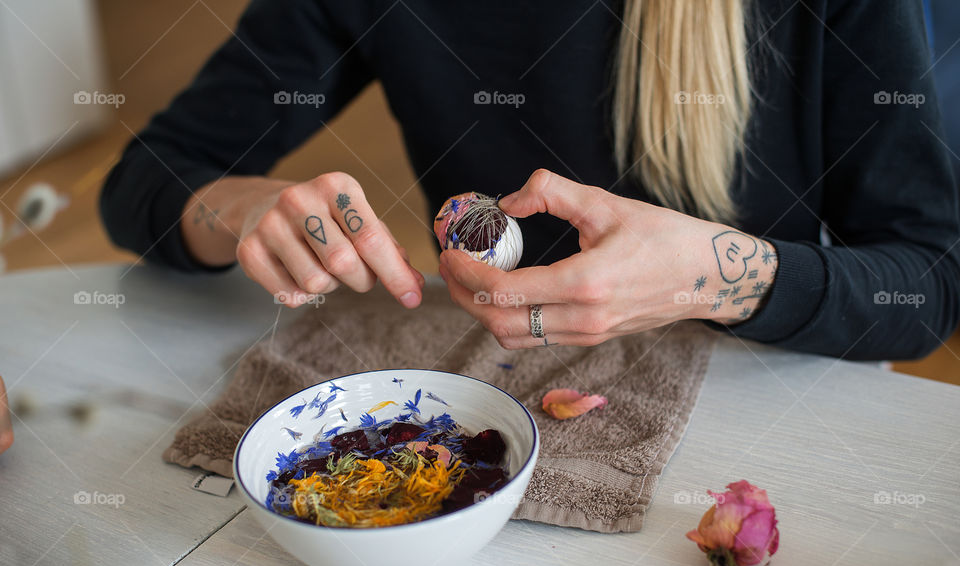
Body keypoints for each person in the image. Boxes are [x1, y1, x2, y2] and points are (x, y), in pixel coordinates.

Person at [101, 0, 960, 361]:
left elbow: (928, 277)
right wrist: (244, 209)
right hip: (500, 402)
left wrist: (720, 279)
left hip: (762, 400)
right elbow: (145, 178)